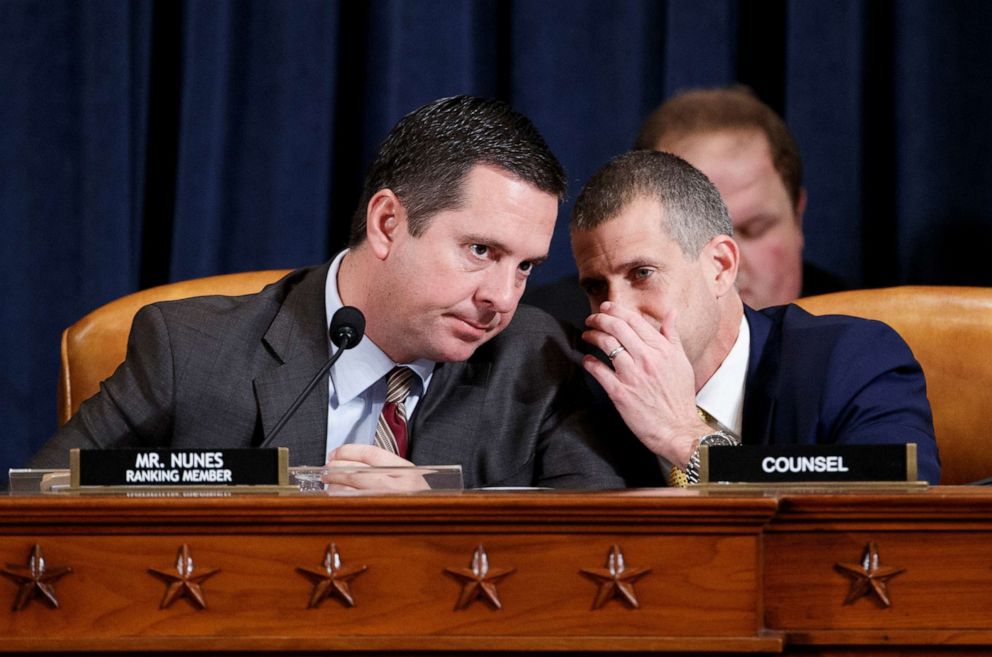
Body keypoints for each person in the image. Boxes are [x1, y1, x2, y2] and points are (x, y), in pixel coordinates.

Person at [29, 95, 625, 491]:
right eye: (481, 251)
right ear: (388, 224)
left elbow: (598, 558)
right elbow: (34, 513)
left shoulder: (541, 364)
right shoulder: (191, 352)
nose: (502, 296)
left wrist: (446, 527)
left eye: (525, 266)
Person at [570, 150, 940, 485]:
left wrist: (685, 436)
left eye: (642, 273)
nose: (615, 310)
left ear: (720, 266)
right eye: (596, 287)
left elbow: (898, 510)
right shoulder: (584, 398)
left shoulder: (851, 361)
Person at [523, 86, 847, 327]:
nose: (727, 262)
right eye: (697, 232)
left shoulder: (865, 324)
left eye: (754, 229)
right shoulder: (548, 335)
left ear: (798, 218)